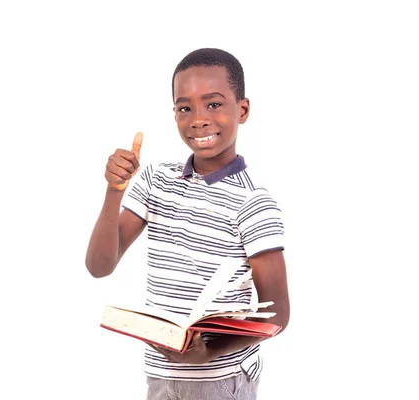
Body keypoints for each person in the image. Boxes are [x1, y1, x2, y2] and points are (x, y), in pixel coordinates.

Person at [85, 48, 290, 400]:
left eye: (213, 104)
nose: (198, 119)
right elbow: (99, 266)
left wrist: (206, 352)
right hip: (161, 374)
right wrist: (113, 191)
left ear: (242, 110)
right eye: (184, 108)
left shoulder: (253, 203)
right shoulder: (155, 180)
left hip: (220, 380)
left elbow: (277, 315)